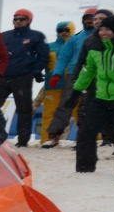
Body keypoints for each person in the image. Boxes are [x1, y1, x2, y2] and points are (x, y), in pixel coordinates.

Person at [72, 16, 114, 182]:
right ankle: (85, 167)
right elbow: (87, 72)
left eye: (107, 29)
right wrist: (75, 93)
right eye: (101, 30)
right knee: (86, 132)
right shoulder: (95, 47)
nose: (104, 33)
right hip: (101, 98)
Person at [0, 9, 49, 147]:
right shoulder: (4, 36)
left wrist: (34, 72)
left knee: (24, 109)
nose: (18, 21)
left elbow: (43, 56)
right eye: (15, 18)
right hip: (3, 77)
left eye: (22, 18)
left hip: (23, 77)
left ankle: (22, 141)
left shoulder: (37, 36)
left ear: (29, 20)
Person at [42, 8, 98, 148]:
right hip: (75, 72)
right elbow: (63, 57)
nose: (89, 21)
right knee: (66, 103)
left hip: (97, 74)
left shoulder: (105, 36)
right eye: (87, 19)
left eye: (92, 18)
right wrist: (56, 74)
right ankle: (54, 135)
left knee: (88, 106)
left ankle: (84, 137)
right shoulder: (76, 38)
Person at [37, 21, 75, 144]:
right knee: (49, 115)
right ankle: (46, 140)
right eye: (60, 30)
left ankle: (91, 140)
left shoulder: (77, 45)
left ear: (71, 31)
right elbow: (39, 60)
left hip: (74, 85)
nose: (63, 33)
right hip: (53, 86)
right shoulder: (50, 47)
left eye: (66, 30)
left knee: (80, 113)